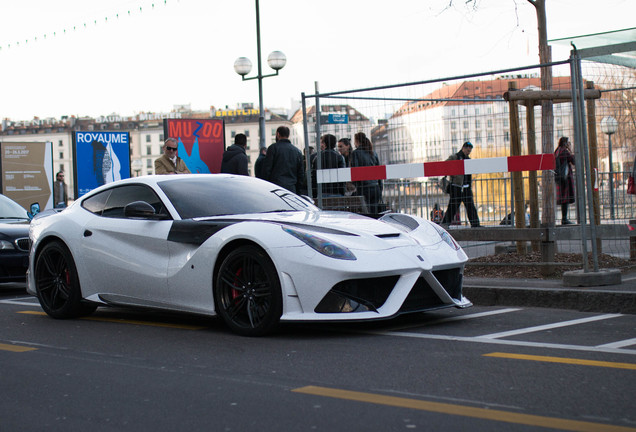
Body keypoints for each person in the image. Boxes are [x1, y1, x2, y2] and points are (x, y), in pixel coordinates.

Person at [441, 141, 480, 227]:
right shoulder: (455, 157)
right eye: (467, 149)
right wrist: (452, 173)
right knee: (453, 207)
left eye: (470, 150)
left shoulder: (468, 160)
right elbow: (444, 165)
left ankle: (475, 224)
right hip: (456, 187)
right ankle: (445, 224)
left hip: (466, 187)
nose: (468, 151)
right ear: (463, 148)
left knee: (470, 207)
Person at [261, 126, 305, 194]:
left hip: (275, 188)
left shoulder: (273, 148)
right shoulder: (297, 151)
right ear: (288, 135)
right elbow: (301, 173)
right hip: (291, 188)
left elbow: (266, 170)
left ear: (278, 134)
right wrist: (298, 190)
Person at [350, 132, 382, 213]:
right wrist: (380, 187)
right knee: (374, 212)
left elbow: (355, 171)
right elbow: (379, 172)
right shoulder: (373, 153)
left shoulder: (355, 153)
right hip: (375, 188)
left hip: (363, 188)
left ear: (357, 141)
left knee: (365, 214)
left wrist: (356, 186)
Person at [555, 136, 575, 224]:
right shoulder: (564, 151)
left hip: (559, 177)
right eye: (568, 143)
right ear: (565, 143)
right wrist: (570, 150)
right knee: (565, 199)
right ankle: (564, 219)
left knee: (563, 198)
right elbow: (574, 161)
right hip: (565, 178)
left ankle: (564, 218)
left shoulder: (557, 151)